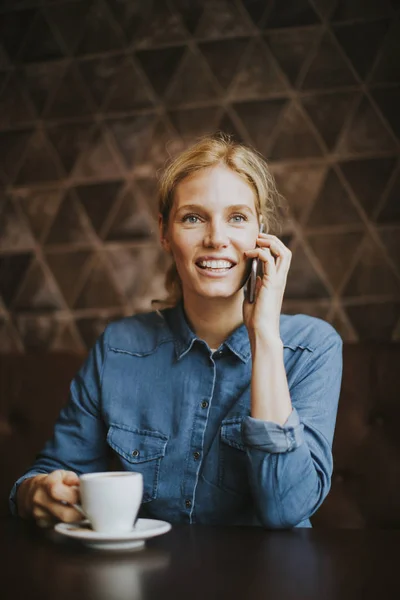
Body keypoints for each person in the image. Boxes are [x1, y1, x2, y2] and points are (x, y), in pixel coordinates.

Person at [10, 134, 343, 529]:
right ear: (165, 233)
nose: (217, 238)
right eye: (193, 217)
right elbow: (54, 471)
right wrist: (34, 493)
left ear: (261, 234)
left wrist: (265, 337)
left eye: (237, 217)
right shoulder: (118, 348)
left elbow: (286, 510)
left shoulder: (312, 348)